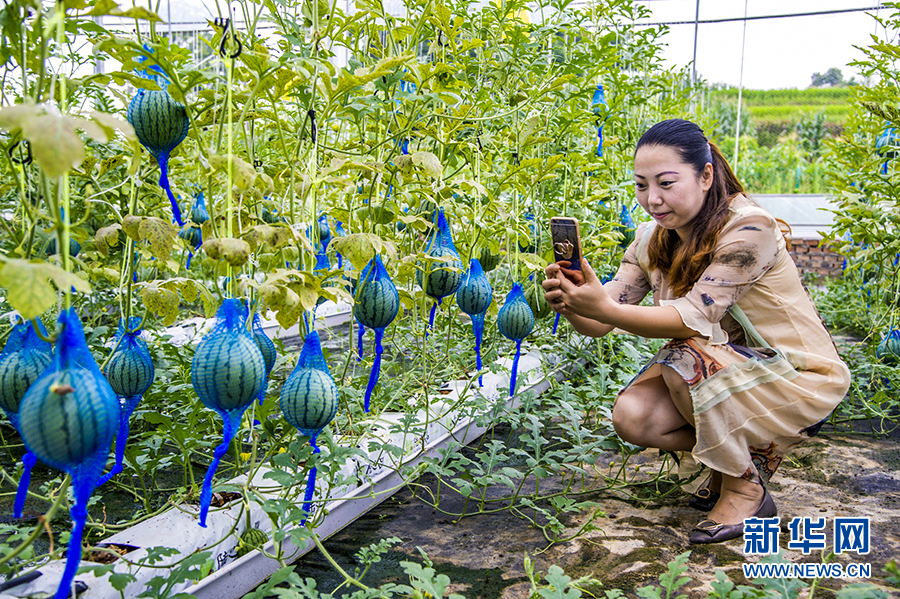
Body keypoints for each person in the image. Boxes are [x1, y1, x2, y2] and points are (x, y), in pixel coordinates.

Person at [542, 119, 851, 544]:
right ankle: (732, 463)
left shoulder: (748, 229)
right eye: (641, 185)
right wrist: (575, 300)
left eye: (667, 183)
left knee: (683, 358)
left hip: (799, 377)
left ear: (705, 176)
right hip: (734, 375)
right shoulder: (652, 239)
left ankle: (746, 490)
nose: (653, 199)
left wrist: (602, 306)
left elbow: (692, 316)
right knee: (636, 415)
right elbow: (601, 319)